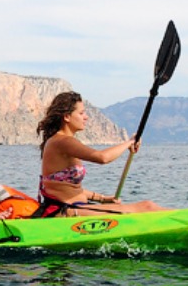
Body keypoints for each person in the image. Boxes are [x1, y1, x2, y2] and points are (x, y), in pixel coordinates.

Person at [37, 90, 166, 215]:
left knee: (148, 206)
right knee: (147, 206)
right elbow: (102, 157)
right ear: (66, 117)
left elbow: (70, 188)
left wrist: (103, 199)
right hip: (65, 211)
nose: (86, 117)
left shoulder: (62, 141)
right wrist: (129, 143)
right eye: (81, 113)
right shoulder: (62, 141)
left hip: (76, 207)